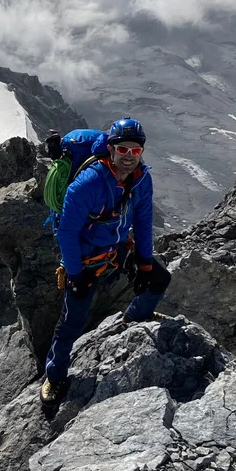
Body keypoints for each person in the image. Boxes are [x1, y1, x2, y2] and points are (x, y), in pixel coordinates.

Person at [40, 118, 172, 405]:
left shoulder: (141, 179)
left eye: (135, 151)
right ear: (110, 150)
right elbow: (66, 233)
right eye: (122, 150)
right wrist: (75, 275)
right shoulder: (87, 184)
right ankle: (54, 375)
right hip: (86, 258)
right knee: (73, 320)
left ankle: (136, 316)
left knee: (159, 279)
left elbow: (144, 221)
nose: (128, 157)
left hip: (118, 246)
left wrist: (146, 262)